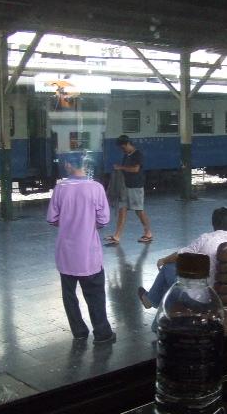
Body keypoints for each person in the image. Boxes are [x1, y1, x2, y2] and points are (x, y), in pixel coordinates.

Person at [46, 156, 116, 344]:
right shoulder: (96, 188)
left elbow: (52, 218)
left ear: (68, 165)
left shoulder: (60, 189)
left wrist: (67, 223)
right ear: (85, 165)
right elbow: (103, 220)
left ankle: (79, 332)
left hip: (66, 254)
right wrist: (88, 224)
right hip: (88, 254)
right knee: (95, 295)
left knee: (69, 296)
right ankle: (102, 333)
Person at [137, 207, 227, 310]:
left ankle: (150, 301)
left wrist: (163, 260)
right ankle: (152, 301)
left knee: (168, 267)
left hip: (200, 299)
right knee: (169, 284)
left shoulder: (206, 239)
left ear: (213, 225)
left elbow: (180, 255)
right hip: (226, 297)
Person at [105, 135, 153, 245]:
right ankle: (117, 236)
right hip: (125, 187)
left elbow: (136, 169)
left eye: (123, 147)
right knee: (122, 210)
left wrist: (120, 167)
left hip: (135, 187)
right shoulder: (126, 155)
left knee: (139, 211)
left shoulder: (138, 154)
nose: (122, 150)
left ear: (128, 144)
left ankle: (148, 233)